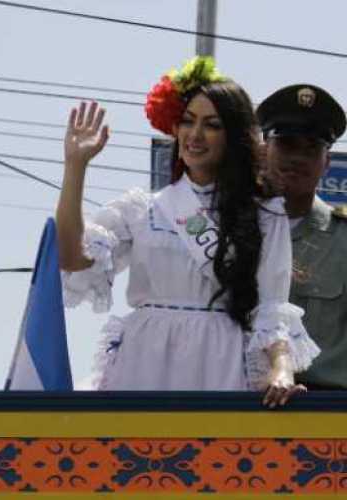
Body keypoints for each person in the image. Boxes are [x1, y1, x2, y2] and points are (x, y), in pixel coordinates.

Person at [55, 57, 320, 407]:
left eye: (211, 125)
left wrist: (281, 368)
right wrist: (76, 166)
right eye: (187, 121)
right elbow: (73, 259)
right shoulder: (142, 209)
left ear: (234, 137)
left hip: (222, 360)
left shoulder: (265, 214)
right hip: (145, 359)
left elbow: (272, 308)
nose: (195, 135)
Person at [257, 84, 347, 390]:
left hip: (323, 418)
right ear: (263, 149)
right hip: (231, 409)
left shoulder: (343, 240)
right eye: (286, 144)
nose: (297, 158)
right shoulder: (228, 230)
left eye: (310, 149)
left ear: (327, 162)